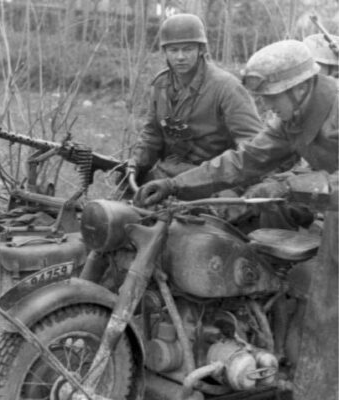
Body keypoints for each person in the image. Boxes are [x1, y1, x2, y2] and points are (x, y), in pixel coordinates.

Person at [134, 39, 338, 400]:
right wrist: (175, 184)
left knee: (325, 299)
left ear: (301, 87)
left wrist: (304, 183)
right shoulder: (292, 118)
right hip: (331, 207)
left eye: (272, 96)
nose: (266, 105)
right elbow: (243, 161)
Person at [129, 13, 263, 183]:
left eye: (187, 49)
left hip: (213, 178)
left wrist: (235, 179)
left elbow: (252, 143)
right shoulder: (161, 84)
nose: (180, 57)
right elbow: (152, 135)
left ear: (201, 50)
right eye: (173, 50)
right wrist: (136, 163)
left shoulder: (226, 87)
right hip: (169, 173)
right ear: (164, 52)